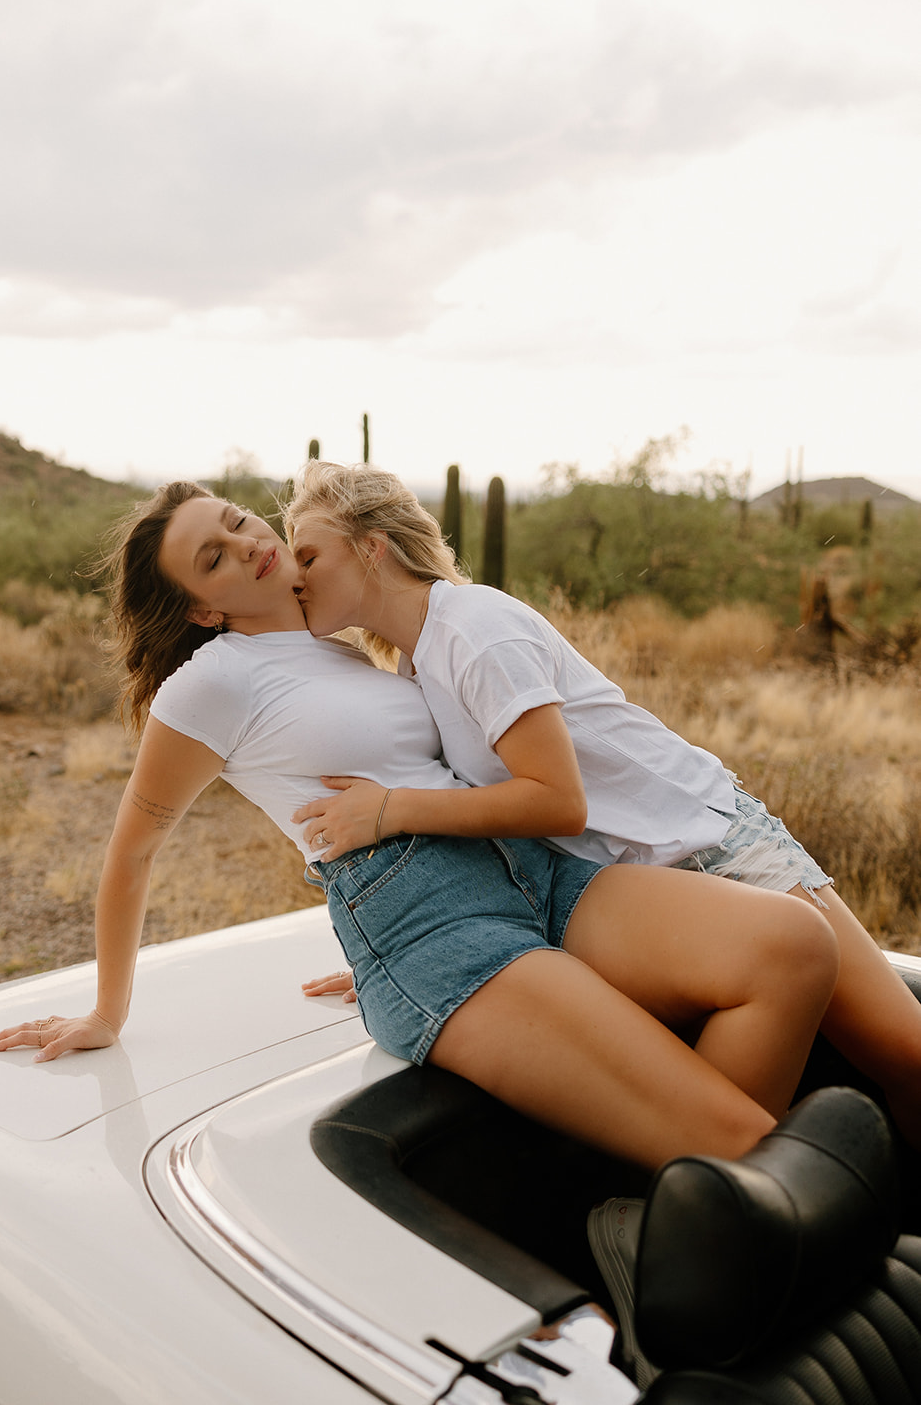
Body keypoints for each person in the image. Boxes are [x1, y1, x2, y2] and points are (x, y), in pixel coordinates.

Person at [0, 481, 841, 1176]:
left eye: (237, 520)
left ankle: (693, 1200)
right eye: (214, 556)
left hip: (529, 869)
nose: (249, 541)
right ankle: (703, 1201)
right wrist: (108, 1010)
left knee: (790, 948)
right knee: (741, 1140)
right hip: (433, 921)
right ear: (204, 611)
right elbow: (133, 847)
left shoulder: (343, 644)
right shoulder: (210, 682)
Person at [285, 460, 921, 1146]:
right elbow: (478, 821)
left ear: (371, 548)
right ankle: (687, 1219)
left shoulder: (473, 628)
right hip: (629, 884)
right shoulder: (415, 665)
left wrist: (389, 810)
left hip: (710, 844)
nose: (294, 576)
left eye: (308, 554)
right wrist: (398, 956)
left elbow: (556, 802)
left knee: (903, 1055)